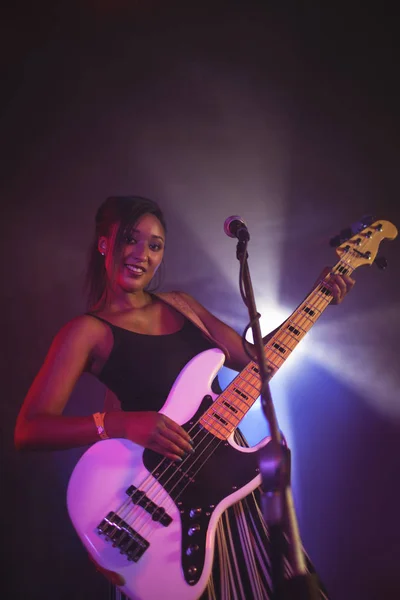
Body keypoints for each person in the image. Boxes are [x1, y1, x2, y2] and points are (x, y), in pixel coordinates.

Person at [15, 195, 355, 600]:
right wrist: (121, 423)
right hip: (159, 513)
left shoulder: (182, 307)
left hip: (229, 489)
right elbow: (29, 429)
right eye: (130, 239)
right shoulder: (87, 331)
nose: (142, 254)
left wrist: (316, 299)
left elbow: (254, 359)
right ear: (105, 243)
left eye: (155, 245)